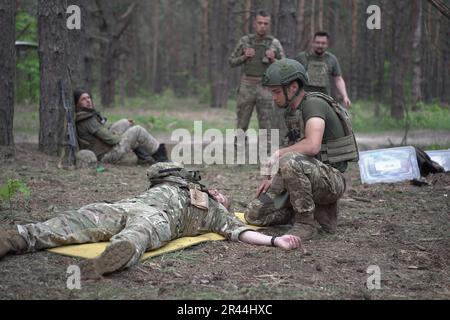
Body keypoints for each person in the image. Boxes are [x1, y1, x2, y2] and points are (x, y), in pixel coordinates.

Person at [0, 162, 303, 279]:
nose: (221, 194)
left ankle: (109, 259)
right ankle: (17, 238)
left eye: (224, 196)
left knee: (139, 234)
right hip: (128, 204)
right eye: (219, 192)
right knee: (78, 218)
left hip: (161, 218)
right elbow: (154, 170)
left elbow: (241, 232)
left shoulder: (216, 213)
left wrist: (275, 240)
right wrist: (186, 177)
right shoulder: (174, 179)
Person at [245, 59, 359, 239]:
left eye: (276, 91)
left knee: (288, 161)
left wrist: (277, 155)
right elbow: (295, 147)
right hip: (304, 174)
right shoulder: (292, 111)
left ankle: (305, 223)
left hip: (331, 180)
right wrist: (273, 176)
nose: (273, 97)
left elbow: (312, 146)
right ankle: (311, 214)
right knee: (254, 214)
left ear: (293, 87)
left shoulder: (313, 104)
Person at [229, 10, 285, 142]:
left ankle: (267, 155)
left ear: (269, 25)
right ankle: (239, 152)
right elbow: (231, 61)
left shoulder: (274, 43)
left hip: (266, 87)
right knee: (242, 121)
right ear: (255, 24)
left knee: (267, 123)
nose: (262, 26)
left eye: (265, 23)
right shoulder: (245, 41)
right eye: (260, 23)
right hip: (247, 85)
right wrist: (244, 56)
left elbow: (285, 66)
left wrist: (273, 60)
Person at [73, 89, 168, 165]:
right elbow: (112, 140)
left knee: (125, 122)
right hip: (106, 155)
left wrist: (119, 130)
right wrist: (120, 135)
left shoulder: (85, 115)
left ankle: (144, 157)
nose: (88, 101)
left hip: (104, 148)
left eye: (88, 97)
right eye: (83, 99)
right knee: (137, 130)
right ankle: (161, 157)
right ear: (77, 104)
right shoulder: (87, 119)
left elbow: (102, 130)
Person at [295, 31, 352, 109]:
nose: (320, 45)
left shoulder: (331, 59)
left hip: (324, 101)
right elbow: (292, 77)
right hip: (303, 101)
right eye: (317, 42)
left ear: (327, 44)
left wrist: (345, 96)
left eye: (323, 43)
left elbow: (338, 79)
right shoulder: (301, 57)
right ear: (313, 43)